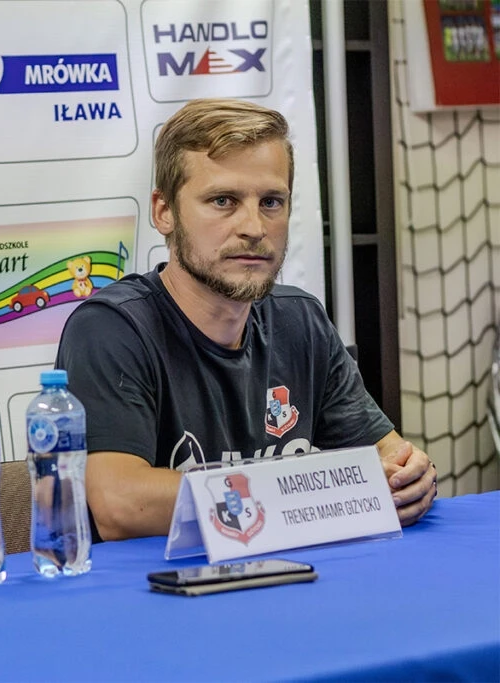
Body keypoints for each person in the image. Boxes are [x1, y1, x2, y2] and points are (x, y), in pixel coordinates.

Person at [56, 98, 437, 542]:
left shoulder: (300, 320)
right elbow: (122, 505)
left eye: (271, 202)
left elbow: (388, 456)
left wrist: (410, 476)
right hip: (150, 581)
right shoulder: (111, 328)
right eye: (223, 201)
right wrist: (302, 494)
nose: (254, 227)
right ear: (164, 212)